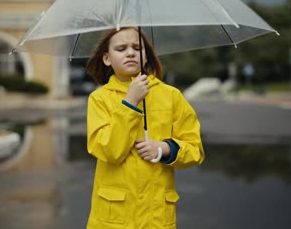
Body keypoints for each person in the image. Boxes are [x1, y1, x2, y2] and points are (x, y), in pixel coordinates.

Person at [85, 26, 205, 229]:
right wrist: (130, 102)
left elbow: (195, 150)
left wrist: (165, 149)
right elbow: (109, 151)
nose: (130, 52)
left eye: (137, 48)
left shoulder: (171, 96)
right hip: (113, 220)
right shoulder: (99, 99)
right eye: (121, 48)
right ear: (107, 58)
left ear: (146, 57)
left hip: (156, 218)